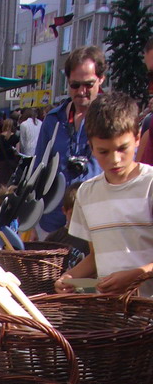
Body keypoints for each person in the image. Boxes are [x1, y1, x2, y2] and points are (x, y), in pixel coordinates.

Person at [54, 92, 153, 297]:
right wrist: (71, 278)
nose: (115, 160)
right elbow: (96, 256)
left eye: (122, 148)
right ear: (91, 147)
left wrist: (136, 275)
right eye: (104, 151)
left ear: (136, 139)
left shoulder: (149, 184)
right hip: (110, 313)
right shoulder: (86, 193)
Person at [33, 46, 106, 238]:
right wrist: (32, 220)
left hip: (97, 222)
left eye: (88, 84)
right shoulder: (53, 120)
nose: (81, 91)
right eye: (75, 85)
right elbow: (38, 170)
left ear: (101, 80)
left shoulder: (111, 119)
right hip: (53, 222)